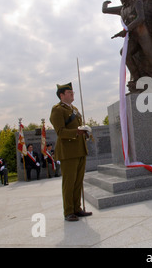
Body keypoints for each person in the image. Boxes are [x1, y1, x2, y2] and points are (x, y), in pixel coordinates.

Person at [102, 0, 152, 90]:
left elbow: (141, 18)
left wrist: (126, 30)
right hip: (133, 37)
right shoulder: (122, 9)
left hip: (143, 34)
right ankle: (138, 79)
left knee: (150, 55)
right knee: (124, 53)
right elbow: (105, 10)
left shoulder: (136, 1)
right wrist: (104, 4)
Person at [50, 82, 92, 222]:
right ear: (61, 95)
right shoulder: (57, 110)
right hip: (68, 151)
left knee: (78, 181)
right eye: (69, 92)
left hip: (80, 149)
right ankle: (68, 211)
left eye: (72, 92)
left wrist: (85, 133)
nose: (72, 93)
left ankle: (77, 208)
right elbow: (60, 132)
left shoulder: (74, 109)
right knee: (69, 182)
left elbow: (78, 128)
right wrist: (77, 132)